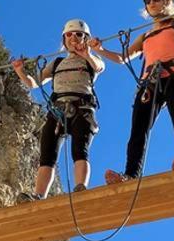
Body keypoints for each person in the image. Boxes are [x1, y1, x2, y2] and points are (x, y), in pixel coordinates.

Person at [89, 0, 174, 184]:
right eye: (148, 0)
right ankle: (130, 174)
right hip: (149, 83)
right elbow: (122, 58)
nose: (152, 3)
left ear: (167, 1)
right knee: (138, 130)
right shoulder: (146, 35)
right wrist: (100, 49)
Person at [12, 19, 105, 201]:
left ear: (86, 38)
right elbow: (33, 83)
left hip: (82, 108)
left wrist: (87, 53)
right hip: (57, 110)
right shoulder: (56, 63)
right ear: (64, 39)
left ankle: (80, 188)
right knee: (47, 155)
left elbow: (99, 67)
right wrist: (20, 71)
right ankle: (39, 195)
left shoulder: (91, 60)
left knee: (80, 150)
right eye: (69, 35)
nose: (73, 38)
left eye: (79, 34)